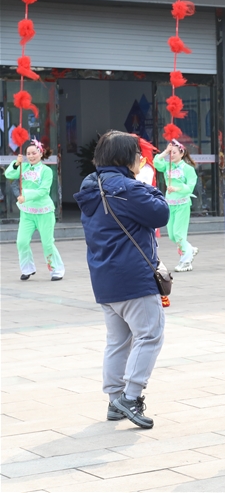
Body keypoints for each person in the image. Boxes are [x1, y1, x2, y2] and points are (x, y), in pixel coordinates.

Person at [74, 130, 170, 429]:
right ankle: (131, 397)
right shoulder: (128, 188)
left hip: (104, 278)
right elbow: (161, 214)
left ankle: (115, 400)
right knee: (149, 335)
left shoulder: (90, 185)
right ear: (128, 157)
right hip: (133, 278)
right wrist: (150, 186)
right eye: (138, 155)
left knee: (118, 341)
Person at [4, 139, 65, 281]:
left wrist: (25, 196)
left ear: (40, 153)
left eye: (34, 153)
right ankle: (27, 269)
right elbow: (9, 175)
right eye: (28, 154)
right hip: (27, 212)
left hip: (44, 212)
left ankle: (56, 270)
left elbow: (44, 191)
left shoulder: (46, 171)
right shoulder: (24, 167)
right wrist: (16, 164)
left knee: (47, 243)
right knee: (22, 242)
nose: (31, 156)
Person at [135, 138, 170, 308]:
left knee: (150, 253)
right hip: (138, 212)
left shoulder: (145, 166)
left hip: (144, 212)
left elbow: (141, 187)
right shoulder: (140, 165)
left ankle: (160, 289)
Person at [154, 140, 198, 272]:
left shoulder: (188, 169)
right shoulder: (168, 166)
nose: (171, 155)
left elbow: (190, 187)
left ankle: (186, 260)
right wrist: (165, 152)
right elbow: (156, 162)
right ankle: (189, 249)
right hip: (170, 204)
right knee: (172, 235)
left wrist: (177, 188)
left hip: (182, 204)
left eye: (174, 152)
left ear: (182, 153)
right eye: (170, 153)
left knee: (179, 234)